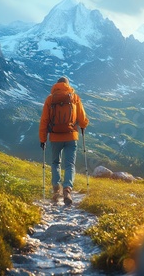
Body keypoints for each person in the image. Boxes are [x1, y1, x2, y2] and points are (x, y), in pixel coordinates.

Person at [39, 77, 89, 205]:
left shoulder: (50, 99)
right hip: (71, 136)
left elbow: (44, 121)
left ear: (57, 85)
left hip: (55, 137)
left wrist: (43, 139)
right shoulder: (74, 97)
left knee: (55, 163)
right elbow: (82, 118)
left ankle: (56, 189)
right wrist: (84, 125)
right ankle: (67, 189)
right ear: (67, 85)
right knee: (70, 165)